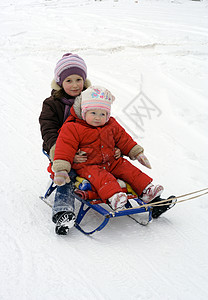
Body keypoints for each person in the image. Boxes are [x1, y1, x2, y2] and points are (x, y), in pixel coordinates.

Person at [39, 54, 121, 235]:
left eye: (79, 79)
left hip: (95, 151)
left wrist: (114, 147)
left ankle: (148, 198)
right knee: (68, 176)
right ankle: (63, 212)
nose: (75, 85)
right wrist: (64, 155)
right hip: (65, 153)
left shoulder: (92, 98)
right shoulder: (51, 104)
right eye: (69, 80)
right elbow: (48, 132)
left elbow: (106, 125)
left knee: (118, 166)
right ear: (60, 82)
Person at [52, 86, 164, 216]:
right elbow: (64, 147)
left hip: (111, 160)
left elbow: (124, 139)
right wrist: (61, 168)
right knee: (102, 177)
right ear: (84, 112)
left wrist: (136, 152)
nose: (98, 118)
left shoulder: (111, 124)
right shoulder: (73, 127)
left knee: (128, 169)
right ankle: (114, 196)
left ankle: (147, 190)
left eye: (102, 114)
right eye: (93, 113)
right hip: (88, 165)